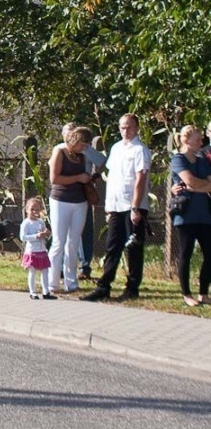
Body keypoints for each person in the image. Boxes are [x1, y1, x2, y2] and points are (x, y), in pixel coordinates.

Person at [82, 113, 152, 302]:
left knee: (134, 248)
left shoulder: (140, 150)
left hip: (132, 205)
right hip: (116, 205)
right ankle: (104, 286)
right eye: (122, 127)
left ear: (136, 128)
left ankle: (132, 287)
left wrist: (136, 208)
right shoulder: (116, 148)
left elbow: (140, 179)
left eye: (129, 126)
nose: (125, 130)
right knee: (112, 246)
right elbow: (113, 178)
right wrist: (109, 206)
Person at [169, 125, 211, 307]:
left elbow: (206, 184)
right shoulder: (178, 159)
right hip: (185, 215)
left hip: (204, 213)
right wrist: (196, 185)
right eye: (197, 139)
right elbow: (189, 180)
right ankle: (186, 294)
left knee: (210, 254)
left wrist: (194, 187)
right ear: (186, 140)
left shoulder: (202, 160)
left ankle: (204, 292)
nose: (201, 142)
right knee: (186, 253)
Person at [48, 126, 93, 294]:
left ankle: (71, 282)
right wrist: (78, 178)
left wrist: (87, 179)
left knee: (73, 242)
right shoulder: (60, 152)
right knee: (59, 242)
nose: (84, 148)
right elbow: (54, 178)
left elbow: (98, 163)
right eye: (83, 144)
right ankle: (52, 283)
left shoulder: (80, 157)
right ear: (76, 140)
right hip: (61, 200)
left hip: (80, 201)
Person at [19, 196, 55, 300]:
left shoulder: (40, 222)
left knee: (45, 271)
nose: (35, 211)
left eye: (37, 209)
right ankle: (32, 292)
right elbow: (23, 237)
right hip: (32, 252)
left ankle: (46, 291)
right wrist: (36, 236)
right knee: (33, 271)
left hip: (42, 250)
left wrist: (46, 234)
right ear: (27, 210)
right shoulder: (26, 223)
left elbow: (44, 233)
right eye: (32, 209)